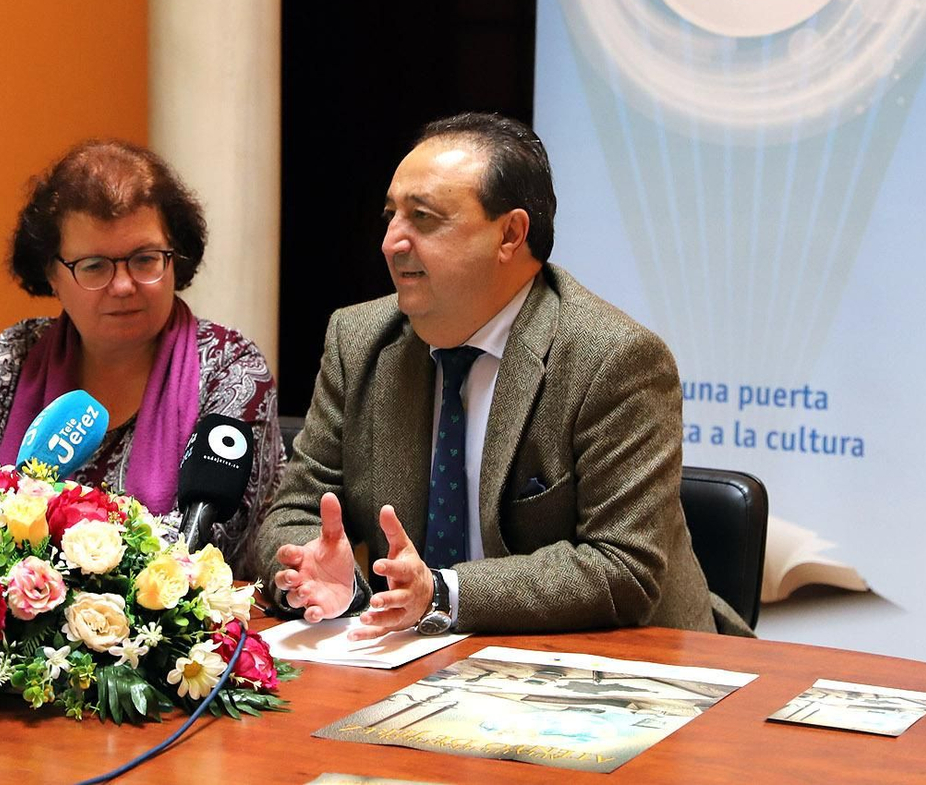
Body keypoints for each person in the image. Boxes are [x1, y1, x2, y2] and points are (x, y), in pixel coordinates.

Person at [259, 113, 744, 636]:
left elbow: (622, 568)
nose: (391, 242)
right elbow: (297, 509)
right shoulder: (358, 342)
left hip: (614, 666)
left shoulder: (614, 359)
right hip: (416, 662)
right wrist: (320, 576)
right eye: (390, 216)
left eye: (422, 218)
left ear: (510, 234)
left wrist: (442, 594)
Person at [0, 139, 283, 579]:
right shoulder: (15, 358)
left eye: (144, 259)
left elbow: (210, 547)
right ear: (52, 275)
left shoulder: (230, 366)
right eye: (94, 266)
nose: (123, 286)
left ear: (176, 260)